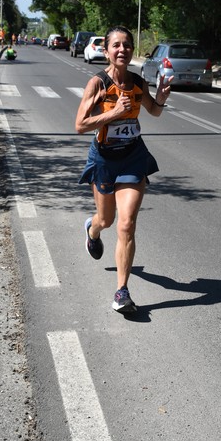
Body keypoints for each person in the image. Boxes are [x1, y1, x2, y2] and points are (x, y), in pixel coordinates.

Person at [75, 26, 173, 313]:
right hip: (104, 159)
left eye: (127, 45)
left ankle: (122, 292)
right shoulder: (98, 83)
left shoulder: (137, 82)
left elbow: (153, 111)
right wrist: (114, 113)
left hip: (132, 156)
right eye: (116, 45)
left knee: (126, 223)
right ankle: (92, 231)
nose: (122, 50)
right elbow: (80, 125)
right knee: (105, 220)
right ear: (106, 51)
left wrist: (162, 99)